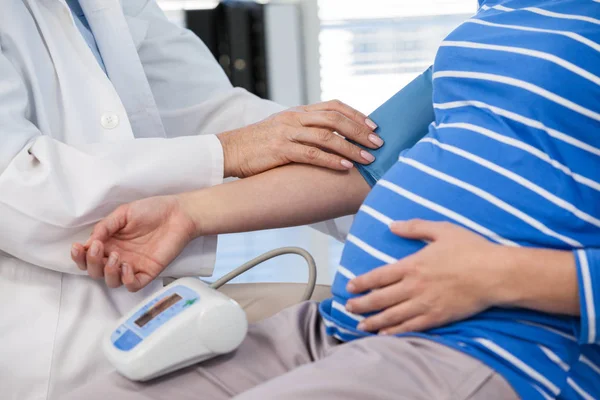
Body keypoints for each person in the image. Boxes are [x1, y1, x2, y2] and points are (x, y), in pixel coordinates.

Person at [67, 0, 600, 399]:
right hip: (343, 324)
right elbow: (364, 162)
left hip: (502, 344)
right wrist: (189, 213)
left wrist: (499, 275)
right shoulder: (502, 19)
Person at [0, 1, 397, 399]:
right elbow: (17, 183)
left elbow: (215, 112)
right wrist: (228, 152)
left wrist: (399, 198)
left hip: (152, 305)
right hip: (44, 346)